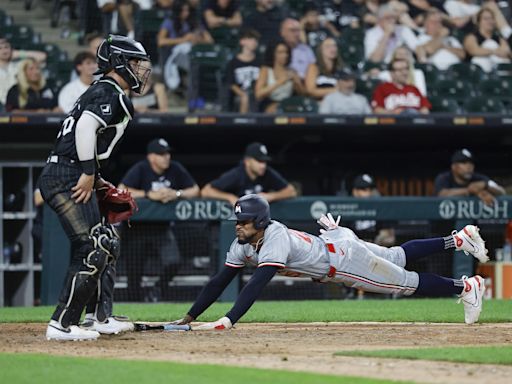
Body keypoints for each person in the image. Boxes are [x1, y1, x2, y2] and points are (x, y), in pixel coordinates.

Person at [170, 194, 489, 330]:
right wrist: (190, 316)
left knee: (405, 282)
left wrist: (227, 320)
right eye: (238, 221)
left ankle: (466, 286)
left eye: (246, 222)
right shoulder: (243, 243)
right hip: (335, 240)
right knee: (397, 256)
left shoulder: (274, 236)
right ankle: (458, 240)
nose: (239, 226)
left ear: (262, 221)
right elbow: (218, 282)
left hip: (345, 261)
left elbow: (256, 284)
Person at [39, 35, 151, 341]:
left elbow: (84, 132)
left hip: (71, 170)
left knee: (107, 242)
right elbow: (87, 126)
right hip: (66, 174)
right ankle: (62, 324)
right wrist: (88, 172)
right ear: (118, 63)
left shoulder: (105, 90)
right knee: (93, 247)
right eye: (135, 63)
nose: (141, 71)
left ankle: (99, 318)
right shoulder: (109, 90)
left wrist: (96, 177)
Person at [118, 138, 200, 301]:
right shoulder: (141, 168)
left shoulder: (175, 168)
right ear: (151, 157)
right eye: (162, 154)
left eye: (167, 153)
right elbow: (121, 190)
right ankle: (135, 305)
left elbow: (195, 190)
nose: (167, 157)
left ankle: (157, 290)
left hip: (162, 228)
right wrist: (149, 195)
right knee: (134, 272)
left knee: (174, 262)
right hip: (138, 229)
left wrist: (176, 193)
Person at [201, 142, 297, 205]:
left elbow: (291, 191)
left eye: (264, 162)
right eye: (259, 161)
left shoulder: (268, 173)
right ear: (247, 161)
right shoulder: (237, 174)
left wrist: (271, 196)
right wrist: (230, 197)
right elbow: (206, 191)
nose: (263, 165)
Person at [434, 148, 505, 206]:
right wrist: (470, 190)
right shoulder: (444, 177)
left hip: (472, 222)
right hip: (445, 221)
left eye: (471, 163)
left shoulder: (478, 178)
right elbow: (442, 194)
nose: (468, 166)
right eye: (463, 163)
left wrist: (485, 185)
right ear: (454, 166)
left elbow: (501, 191)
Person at [254, 41, 306, 113]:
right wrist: (279, 82)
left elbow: (303, 95)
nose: (285, 55)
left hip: (288, 103)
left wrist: (297, 83)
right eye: (280, 52)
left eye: (286, 52)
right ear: (273, 54)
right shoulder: (266, 70)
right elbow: (258, 94)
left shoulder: (292, 71)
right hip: (269, 103)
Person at [463, 7, 511, 73]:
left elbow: (506, 51)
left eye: (492, 18)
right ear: (479, 22)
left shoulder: (499, 38)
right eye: (486, 19)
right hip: (477, 70)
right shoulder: (472, 37)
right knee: (489, 44)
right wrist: (494, 51)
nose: (490, 21)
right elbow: (474, 51)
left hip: (496, 67)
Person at [225, 29, 261, 113]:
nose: (254, 42)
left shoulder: (260, 61)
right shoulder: (233, 62)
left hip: (257, 92)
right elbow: (231, 83)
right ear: (242, 41)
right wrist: (242, 94)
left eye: (256, 40)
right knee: (245, 98)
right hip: (240, 93)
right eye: (251, 39)